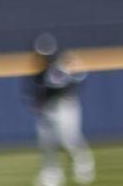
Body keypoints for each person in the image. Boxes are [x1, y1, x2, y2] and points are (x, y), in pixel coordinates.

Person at [24, 34, 94, 186]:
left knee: (69, 140)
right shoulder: (39, 74)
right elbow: (31, 93)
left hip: (63, 108)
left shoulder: (57, 69)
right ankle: (52, 176)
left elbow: (64, 86)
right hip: (46, 111)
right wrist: (36, 102)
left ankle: (83, 164)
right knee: (47, 145)